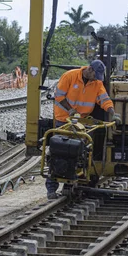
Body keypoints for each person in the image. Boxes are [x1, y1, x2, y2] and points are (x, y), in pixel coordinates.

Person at [46, 59, 121, 200]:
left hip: (82, 123)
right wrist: (70, 110)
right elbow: (59, 96)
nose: (96, 79)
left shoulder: (97, 83)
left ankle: (69, 185)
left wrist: (113, 113)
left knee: (79, 154)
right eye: (95, 76)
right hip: (64, 120)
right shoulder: (70, 76)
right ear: (90, 69)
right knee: (58, 153)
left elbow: (104, 100)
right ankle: (51, 189)